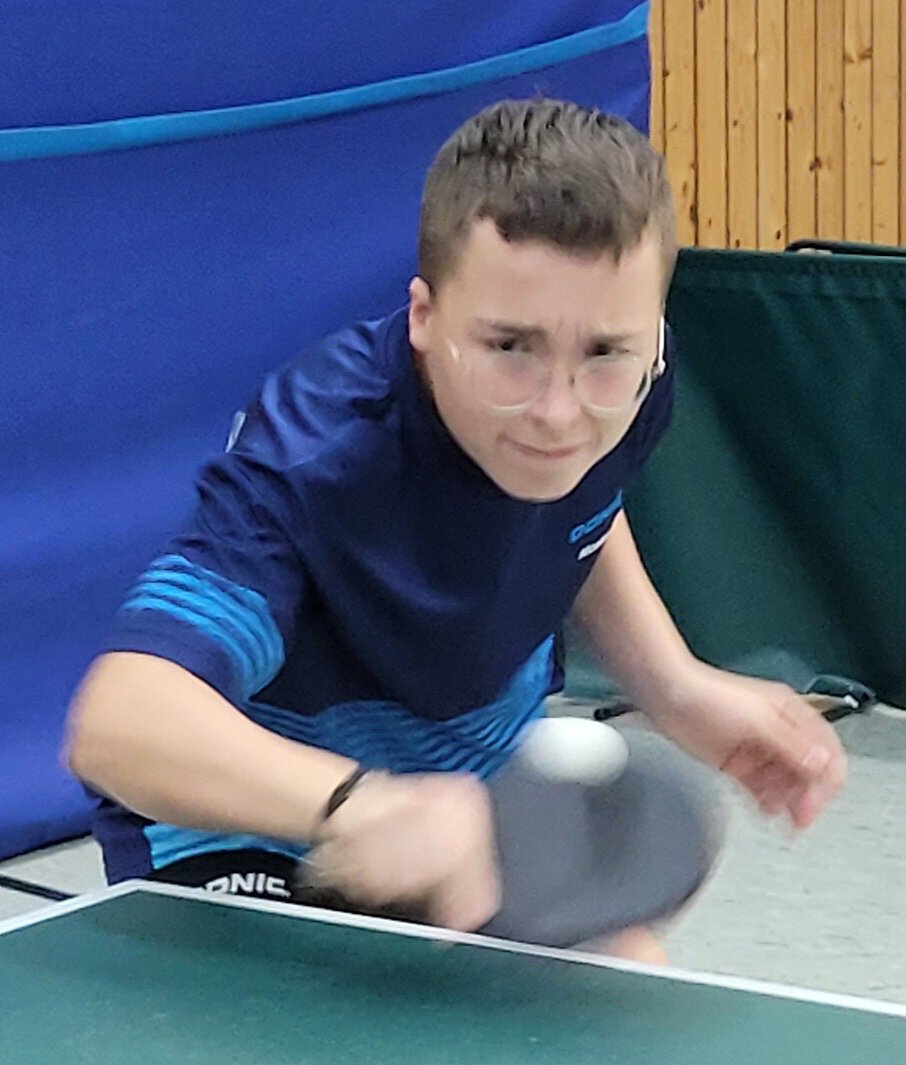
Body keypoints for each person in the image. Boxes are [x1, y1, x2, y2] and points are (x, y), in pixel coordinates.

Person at [64, 98, 847, 962]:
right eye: (510, 347)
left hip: (474, 813)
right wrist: (363, 803)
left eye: (603, 354)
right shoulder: (319, 461)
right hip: (259, 828)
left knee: (630, 980)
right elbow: (118, 722)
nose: (558, 412)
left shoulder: (631, 385)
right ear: (424, 318)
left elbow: (584, 506)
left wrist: (672, 682)